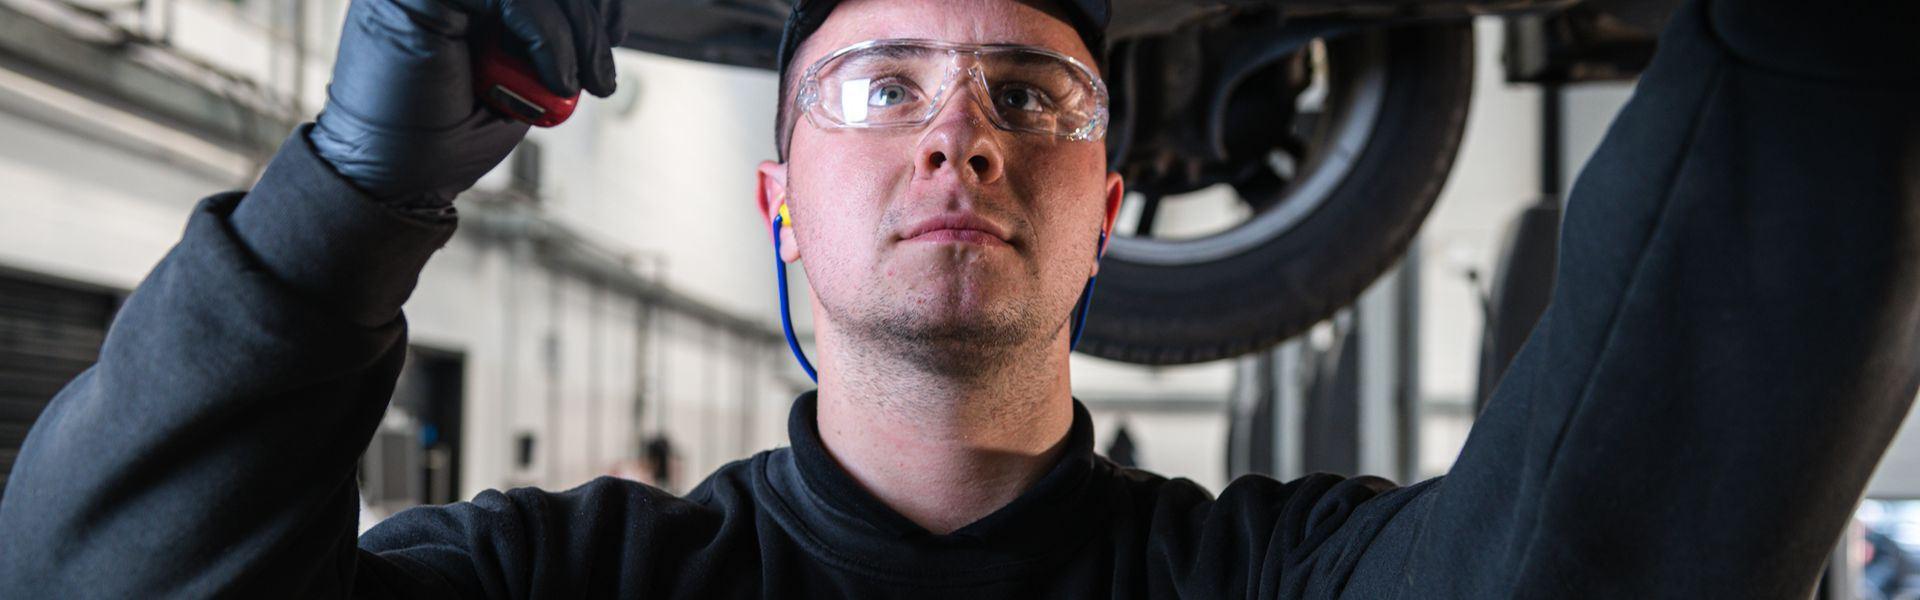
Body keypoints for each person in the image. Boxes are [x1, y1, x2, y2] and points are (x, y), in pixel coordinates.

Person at [0, 0, 1915, 596]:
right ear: (779, 200)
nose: (960, 135)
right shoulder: (566, 584)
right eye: (883, 85)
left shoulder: (1285, 586)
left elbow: (1624, 541)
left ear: (1106, 225)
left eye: (1032, 96)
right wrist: (351, 191)